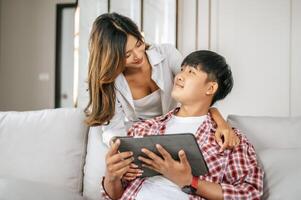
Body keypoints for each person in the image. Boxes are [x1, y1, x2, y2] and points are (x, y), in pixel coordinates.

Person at [102, 50, 264, 200]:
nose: (179, 76)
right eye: (182, 69)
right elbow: (114, 195)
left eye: (191, 72)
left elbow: (250, 193)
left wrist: (190, 181)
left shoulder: (228, 139)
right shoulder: (144, 129)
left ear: (211, 88)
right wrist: (111, 177)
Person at [84, 12, 239, 149]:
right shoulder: (111, 83)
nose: (138, 55)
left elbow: (198, 91)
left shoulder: (167, 54)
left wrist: (221, 121)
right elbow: (113, 130)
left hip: (177, 124)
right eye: (127, 55)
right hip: (144, 135)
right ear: (111, 57)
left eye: (138, 44)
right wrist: (124, 153)